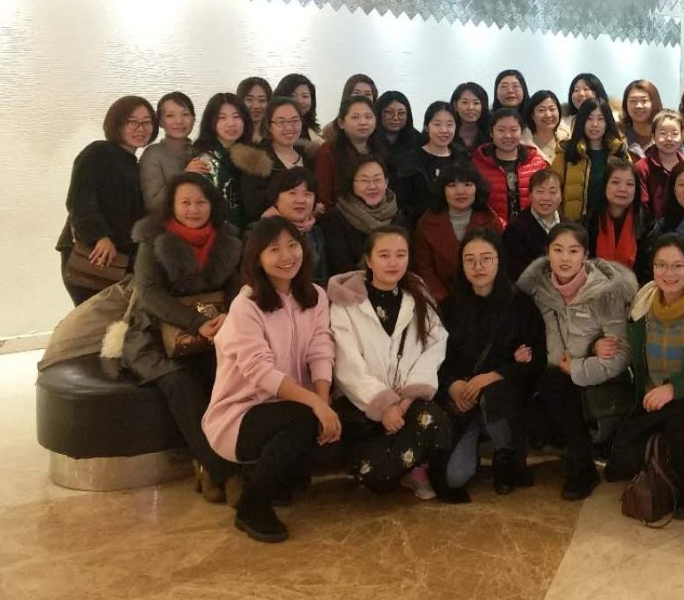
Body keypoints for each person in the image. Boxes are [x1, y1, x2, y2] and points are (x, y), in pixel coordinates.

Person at [202, 217, 339, 543]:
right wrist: (315, 404)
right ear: (258, 258)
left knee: (329, 420)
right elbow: (260, 372)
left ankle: (276, 477)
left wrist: (323, 398)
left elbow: (321, 348)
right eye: (274, 249)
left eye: (292, 245)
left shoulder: (315, 295)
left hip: (289, 406)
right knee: (306, 417)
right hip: (240, 416)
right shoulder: (246, 305)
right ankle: (252, 506)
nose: (287, 256)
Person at [111, 173, 243, 504]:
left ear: (212, 205)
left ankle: (212, 466)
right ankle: (225, 472)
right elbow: (149, 293)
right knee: (181, 384)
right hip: (157, 334)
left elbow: (237, 286)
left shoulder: (228, 238)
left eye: (200, 202)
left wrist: (229, 315)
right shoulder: (152, 238)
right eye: (185, 202)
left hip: (216, 329)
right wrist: (195, 322)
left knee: (228, 379)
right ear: (171, 205)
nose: (193, 209)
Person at [327, 226, 458, 501]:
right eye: (384, 255)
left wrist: (407, 398)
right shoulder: (346, 304)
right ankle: (395, 464)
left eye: (401, 255)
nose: (393, 262)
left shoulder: (418, 297)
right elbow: (347, 364)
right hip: (361, 406)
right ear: (369, 259)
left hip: (407, 401)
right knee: (378, 478)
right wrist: (384, 405)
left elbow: (435, 346)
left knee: (437, 421)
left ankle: (414, 467)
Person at [606, 235, 684, 518]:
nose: (669, 273)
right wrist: (597, 347)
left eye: (678, 266)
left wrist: (674, 389)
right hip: (649, 398)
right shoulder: (644, 302)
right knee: (619, 465)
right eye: (661, 265)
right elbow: (628, 350)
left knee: (682, 422)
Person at [517, 222, 638, 500]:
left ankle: (582, 467)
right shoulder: (537, 288)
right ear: (547, 253)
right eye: (558, 250)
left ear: (585, 255)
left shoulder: (607, 292)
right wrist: (521, 351)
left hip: (600, 377)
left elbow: (621, 355)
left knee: (555, 385)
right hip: (554, 373)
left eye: (573, 251)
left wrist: (577, 366)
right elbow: (523, 329)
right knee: (539, 392)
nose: (565, 258)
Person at [438, 228, 546, 496]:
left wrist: (490, 377)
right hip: (463, 399)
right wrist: (453, 385)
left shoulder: (520, 305)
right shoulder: (449, 307)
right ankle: (475, 437)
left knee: (496, 394)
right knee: (454, 477)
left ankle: (504, 455)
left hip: (503, 400)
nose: (478, 267)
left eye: (486, 258)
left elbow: (536, 362)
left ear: (500, 260)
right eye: (470, 260)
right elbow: (438, 358)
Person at [57, 96, 156, 305]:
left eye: (147, 122)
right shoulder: (99, 152)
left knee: (111, 317)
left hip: (118, 260)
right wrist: (100, 236)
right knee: (91, 316)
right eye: (132, 122)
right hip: (92, 254)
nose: (141, 128)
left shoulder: (135, 165)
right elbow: (79, 199)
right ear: (116, 123)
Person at [413, 163, 504, 301]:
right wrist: (446, 302)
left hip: (486, 297)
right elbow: (425, 269)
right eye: (452, 185)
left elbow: (500, 264)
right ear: (442, 190)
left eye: (467, 184)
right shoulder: (426, 224)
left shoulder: (491, 221)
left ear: (477, 188)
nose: (460, 191)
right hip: (442, 300)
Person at [319, 155, 404, 275]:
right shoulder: (334, 220)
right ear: (351, 184)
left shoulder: (399, 218)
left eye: (377, 179)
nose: (372, 186)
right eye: (364, 181)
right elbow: (341, 268)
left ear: (386, 183)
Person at [193, 93, 264, 233]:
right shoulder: (204, 160)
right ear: (211, 122)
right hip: (217, 235)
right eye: (222, 118)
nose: (231, 123)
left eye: (236, 117)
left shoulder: (254, 154)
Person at [551, 98, 629, 222]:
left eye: (600, 119)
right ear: (582, 121)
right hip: (574, 226)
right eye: (589, 118)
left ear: (608, 122)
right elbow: (553, 191)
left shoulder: (619, 153)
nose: (594, 124)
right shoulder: (566, 153)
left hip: (611, 224)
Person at [472, 108, 550, 228]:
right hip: (490, 232)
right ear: (491, 133)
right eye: (501, 130)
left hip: (531, 231)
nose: (508, 136)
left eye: (513, 130)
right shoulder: (478, 164)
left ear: (521, 132)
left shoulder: (537, 164)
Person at [584, 157, 655, 281]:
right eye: (615, 182)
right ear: (605, 185)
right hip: (593, 287)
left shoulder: (647, 224)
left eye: (629, 184)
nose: (622, 189)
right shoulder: (589, 222)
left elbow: (648, 270)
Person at [393, 100, 462, 225]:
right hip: (418, 225)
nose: (444, 130)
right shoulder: (410, 160)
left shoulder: (462, 159)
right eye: (437, 124)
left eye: (450, 124)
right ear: (426, 127)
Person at [140, 91, 208, 214]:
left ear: (194, 119)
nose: (179, 121)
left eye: (185, 114)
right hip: (165, 224)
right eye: (170, 115)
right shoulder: (153, 154)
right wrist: (185, 176)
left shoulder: (200, 151)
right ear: (160, 121)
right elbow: (153, 205)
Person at [240, 97, 305, 221]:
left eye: (295, 121)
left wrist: (310, 216)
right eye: (281, 122)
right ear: (269, 126)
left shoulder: (308, 157)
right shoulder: (257, 159)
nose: (289, 127)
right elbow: (253, 206)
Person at [314, 95, 382, 209]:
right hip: (339, 214)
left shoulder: (381, 150)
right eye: (355, 117)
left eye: (368, 117)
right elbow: (323, 196)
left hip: (379, 213)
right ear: (341, 123)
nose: (363, 122)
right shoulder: (329, 151)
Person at [264, 169, 329, 285]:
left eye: (307, 194)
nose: (301, 200)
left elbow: (323, 277)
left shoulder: (315, 233)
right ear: (276, 199)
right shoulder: (261, 232)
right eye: (292, 193)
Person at [503, 168, 563, 280]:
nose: (546, 198)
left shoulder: (570, 227)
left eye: (552, 192)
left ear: (561, 196)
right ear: (530, 195)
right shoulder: (515, 230)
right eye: (540, 191)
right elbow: (517, 274)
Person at [636, 110, 684, 218]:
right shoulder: (642, 167)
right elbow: (642, 207)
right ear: (653, 136)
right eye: (663, 133)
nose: (669, 139)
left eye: (675, 133)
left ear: (682, 135)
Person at [320, 74, 379, 142]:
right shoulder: (331, 130)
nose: (362, 98)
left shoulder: (380, 126)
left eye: (367, 94)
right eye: (356, 93)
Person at [274, 73, 323, 146]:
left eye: (305, 96)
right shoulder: (272, 130)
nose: (300, 101)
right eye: (293, 96)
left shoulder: (315, 131)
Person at [621, 79, 664, 159]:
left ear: (654, 103)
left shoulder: (666, 137)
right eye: (633, 101)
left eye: (644, 100)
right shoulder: (619, 141)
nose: (638, 106)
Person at [525, 89, 565, 164]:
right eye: (541, 110)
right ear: (532, 115)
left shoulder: (567, 139)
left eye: (552, 109)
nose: (548, 115)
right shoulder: (525, 143)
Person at [450, 82, 491, 154]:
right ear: (455, 105)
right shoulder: (447, 129)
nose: (471, 108)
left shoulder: (492, 129)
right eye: (465, 102)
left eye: (476, 103)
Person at [236, 76, 273, 145]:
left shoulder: (276, 137)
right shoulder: (232, 136)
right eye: (249, 99)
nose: (256, 106)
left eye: (262, 100)